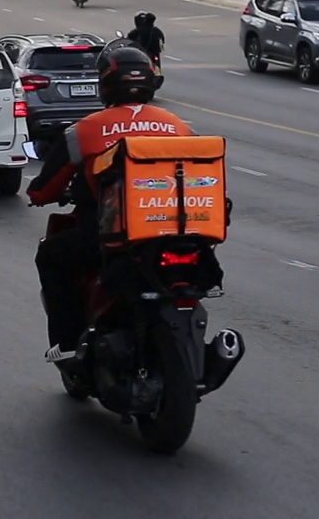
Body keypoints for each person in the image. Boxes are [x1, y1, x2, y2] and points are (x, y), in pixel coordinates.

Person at [26, 44, 194, 363]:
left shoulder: (85, 130)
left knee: (50, 255)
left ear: (104, 84)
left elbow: (43, 191)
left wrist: (40, 194)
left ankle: (68, 342)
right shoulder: (180, 127)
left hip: (111, 241)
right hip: (177, 235)